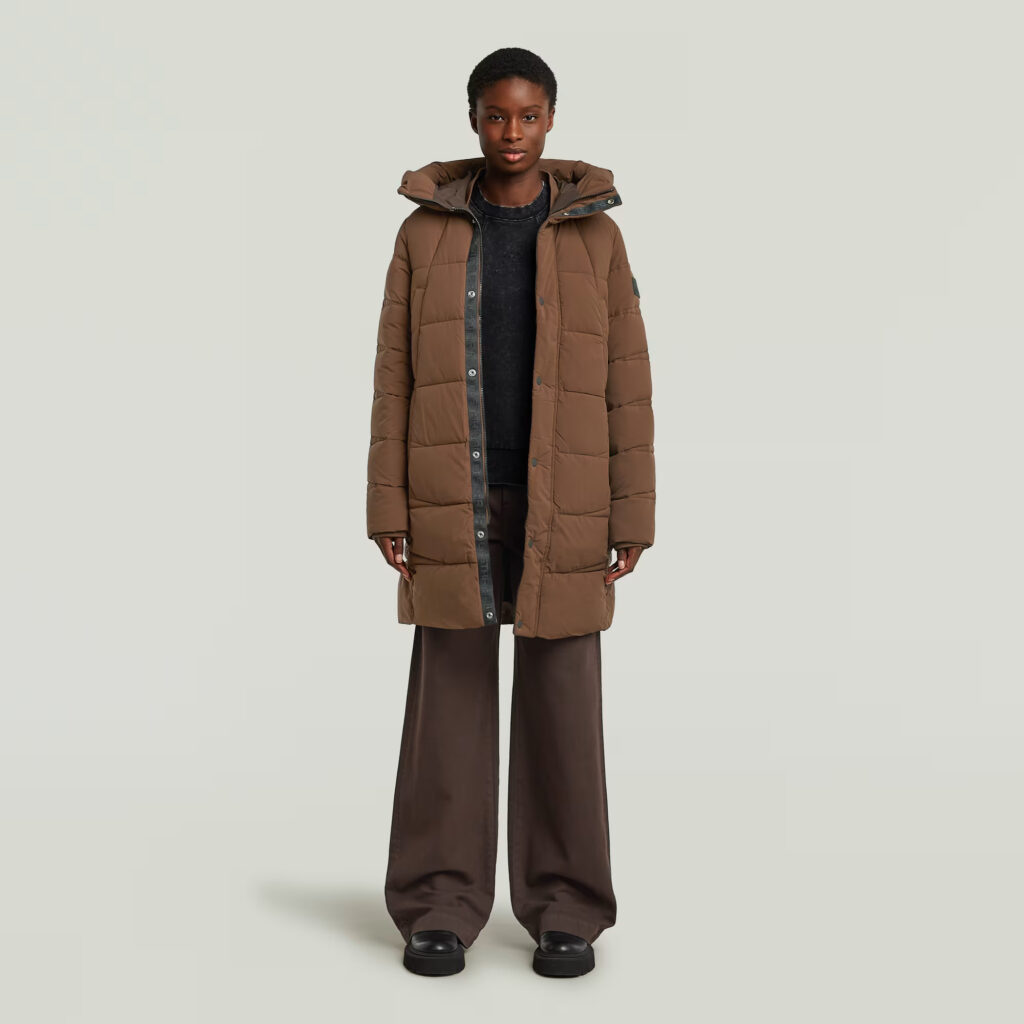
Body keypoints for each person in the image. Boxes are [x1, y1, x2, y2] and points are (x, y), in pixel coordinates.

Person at [366, 46, 656, 978]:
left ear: (552, 119)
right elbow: (393, 377)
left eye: (529, 115)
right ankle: (437, 904)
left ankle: (567, 907)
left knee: (563, 708)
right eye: (497, 115)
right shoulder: (424, 234)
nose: (513, 132)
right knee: (447, 707)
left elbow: (627, 382)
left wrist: (631, 516)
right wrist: (387, 503)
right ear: (473, 119)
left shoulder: (597, 238)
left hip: (565, 499)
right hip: (451, 492)